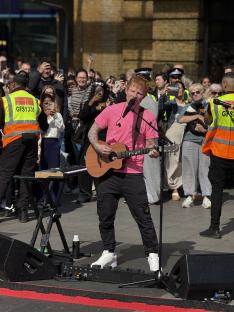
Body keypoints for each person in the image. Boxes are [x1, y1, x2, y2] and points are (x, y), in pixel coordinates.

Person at [88, 75, 160, 271]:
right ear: (126, 90)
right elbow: (92, 131)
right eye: (132, 91)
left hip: (133, 172)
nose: (135, 95)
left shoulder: (148, 117)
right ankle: (108, 252)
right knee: (105, 214)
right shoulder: (112, 110)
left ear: (144, 97)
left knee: (143, 216)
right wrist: (96, 145)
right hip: (108, 171)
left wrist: (153, 151)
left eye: (140, 93)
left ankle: (152, 254)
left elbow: (152, 145)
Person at [0, 73, 48, 222]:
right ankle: (23, 213)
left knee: (4, 175)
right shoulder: (35, 101)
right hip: (31, 142)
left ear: (14, 85)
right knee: (26, 176)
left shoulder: (6, 100)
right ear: (26, 86)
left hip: (13, 141)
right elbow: (44, 125)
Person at [200, 73, 234, 239]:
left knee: (217, 191)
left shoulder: (214, 103)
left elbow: (207, 122)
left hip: (219, 153)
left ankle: (215, 228)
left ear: (224, 85)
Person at [178, 83, 211, 209]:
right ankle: (189, 195)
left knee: (205, 168)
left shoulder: (209, 105)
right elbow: (180, 119)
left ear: (203, 92)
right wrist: (197, 116)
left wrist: (205, 129)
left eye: (198, 92)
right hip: (189, 140)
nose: (195, 94)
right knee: (189, 168)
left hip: (205, 140)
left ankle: (206, 196)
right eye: (192, 93)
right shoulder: (188, 106)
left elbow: (212, 123)